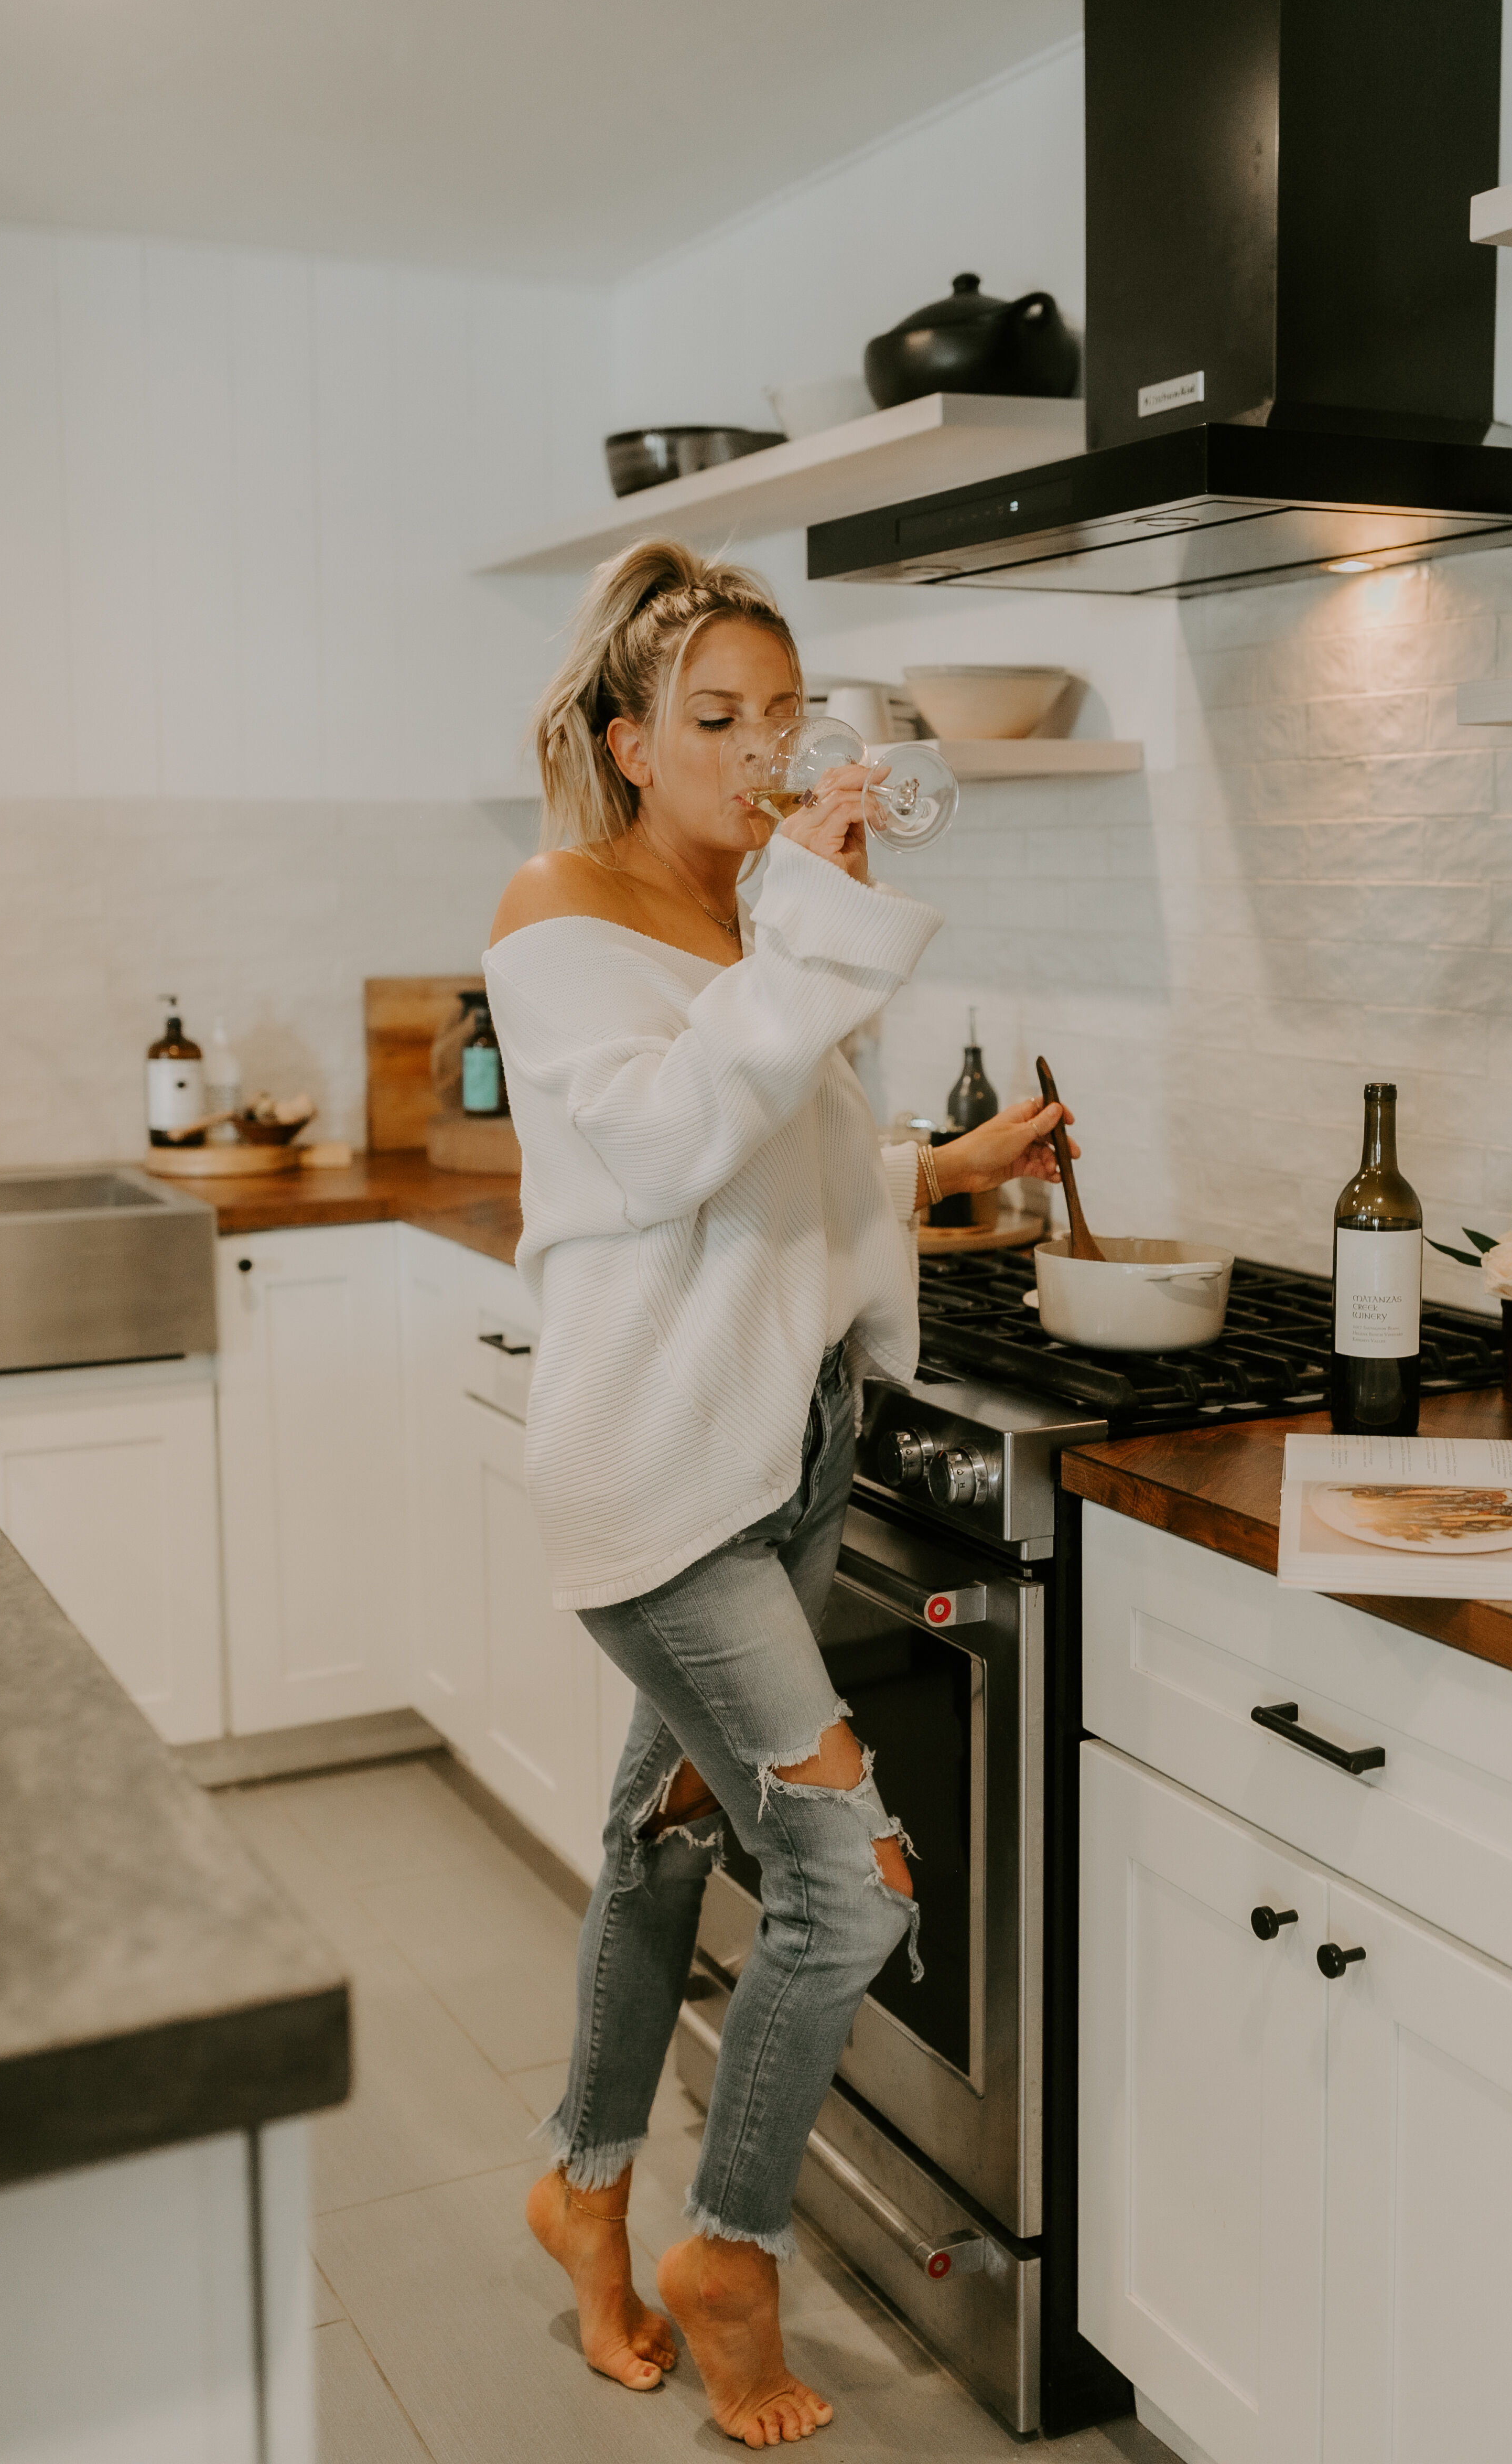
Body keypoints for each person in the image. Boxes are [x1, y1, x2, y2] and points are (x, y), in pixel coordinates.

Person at [484, 539, 1074, 2447]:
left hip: (788, 1444)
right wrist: (815, 930)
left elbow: (782, 1182)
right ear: (629, 740)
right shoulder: (559, 909)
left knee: (666, 1840)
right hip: (657, 1465)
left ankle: (582, 2188)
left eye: (781, 716)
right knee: (849, 1883)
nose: (760, 751)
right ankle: (728, 2247)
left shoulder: (766, 911)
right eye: (717, 720)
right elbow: (659, 1150)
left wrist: (942, 1158)